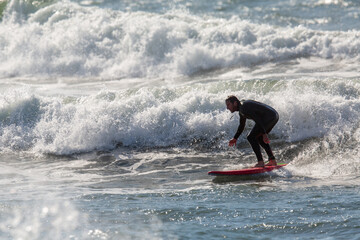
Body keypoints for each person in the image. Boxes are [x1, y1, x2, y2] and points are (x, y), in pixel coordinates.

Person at [225, 95, 279, 168]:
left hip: (269, 117)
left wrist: (264, 133)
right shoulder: (242, 109)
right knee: (258, 137)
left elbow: (257, 119)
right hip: (273, 115)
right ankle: (272, 160)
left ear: (235, 103)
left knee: (251, 137)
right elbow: (242, 125)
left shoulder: (244, 108)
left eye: (228, 105)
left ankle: (260, 162)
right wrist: (235, 138)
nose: (227, 107)